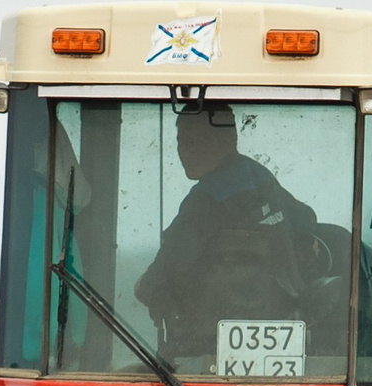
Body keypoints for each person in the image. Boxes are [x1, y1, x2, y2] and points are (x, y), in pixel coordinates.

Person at [133, 109, 320, 357]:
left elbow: (164, 272)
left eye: (194, 141)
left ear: (227, 141)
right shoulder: (260, 177)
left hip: (209, 346)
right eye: (181, 142)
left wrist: (142, 287)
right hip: (280, 329)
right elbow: (305, 219)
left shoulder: (204, 200)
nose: (184, 151)